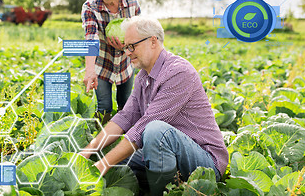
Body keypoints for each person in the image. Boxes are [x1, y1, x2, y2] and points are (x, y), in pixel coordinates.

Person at [80, 16, 229, 195]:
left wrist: (103, 165)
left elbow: (145, 127)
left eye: (132, 46)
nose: (127, 52)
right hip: (167, 152)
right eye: (126, 47)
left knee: (155, 130)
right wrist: (89, 149)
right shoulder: (143, 76)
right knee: (114, 160)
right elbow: (125, 116)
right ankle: (161, 184)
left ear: (153, 41)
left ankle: (163, 191)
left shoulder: (178, 72)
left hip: (205, 162)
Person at [81, 0, 141, 124]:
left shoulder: (131, 4)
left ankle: (124, 141)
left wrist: (127, 46)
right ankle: (101, 141)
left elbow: (140, 33)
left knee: (126, 106)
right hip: (102, 64)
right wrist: (90, 69)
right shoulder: (90, 7)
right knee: (104, 107)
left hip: (126, 64)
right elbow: (91, 37)